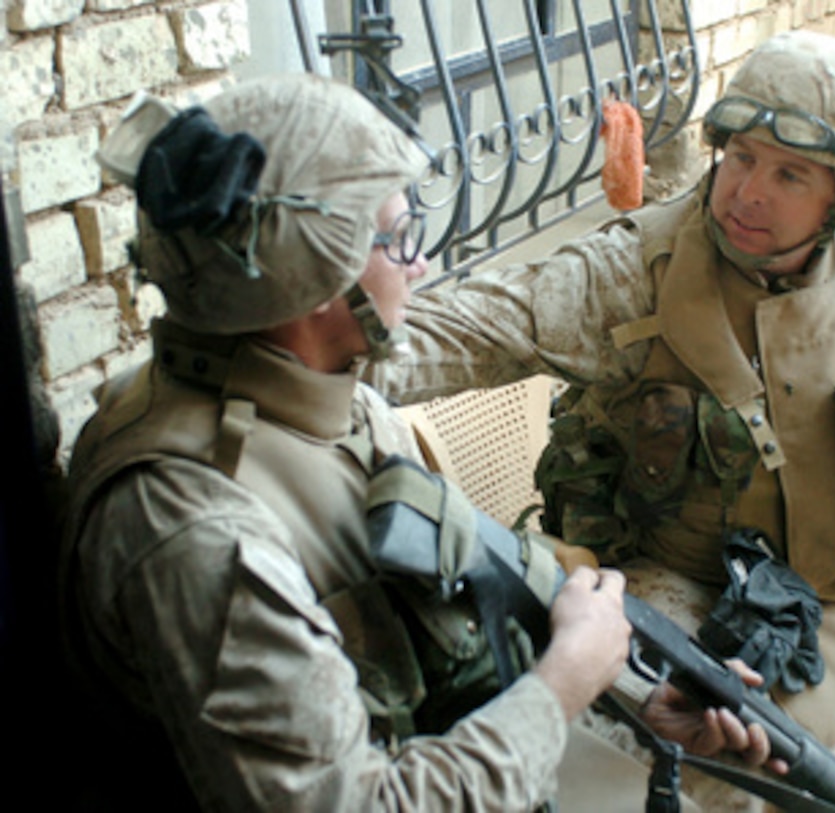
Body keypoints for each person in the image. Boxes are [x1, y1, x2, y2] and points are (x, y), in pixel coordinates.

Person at [364, 30, 835, 813]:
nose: (748, 191)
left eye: (790, 173)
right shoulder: (632, 270)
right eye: (740, 157)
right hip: (681, 582)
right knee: (691, 753)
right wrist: (315, 333)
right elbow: (469, 328)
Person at [58, 73, 677, 812]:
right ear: (320, 279)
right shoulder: (198, 528)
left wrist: (634, 692)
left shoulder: (332, 399)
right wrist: (561, 687)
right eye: (398, 235)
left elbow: (445, 613)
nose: (418, 264)